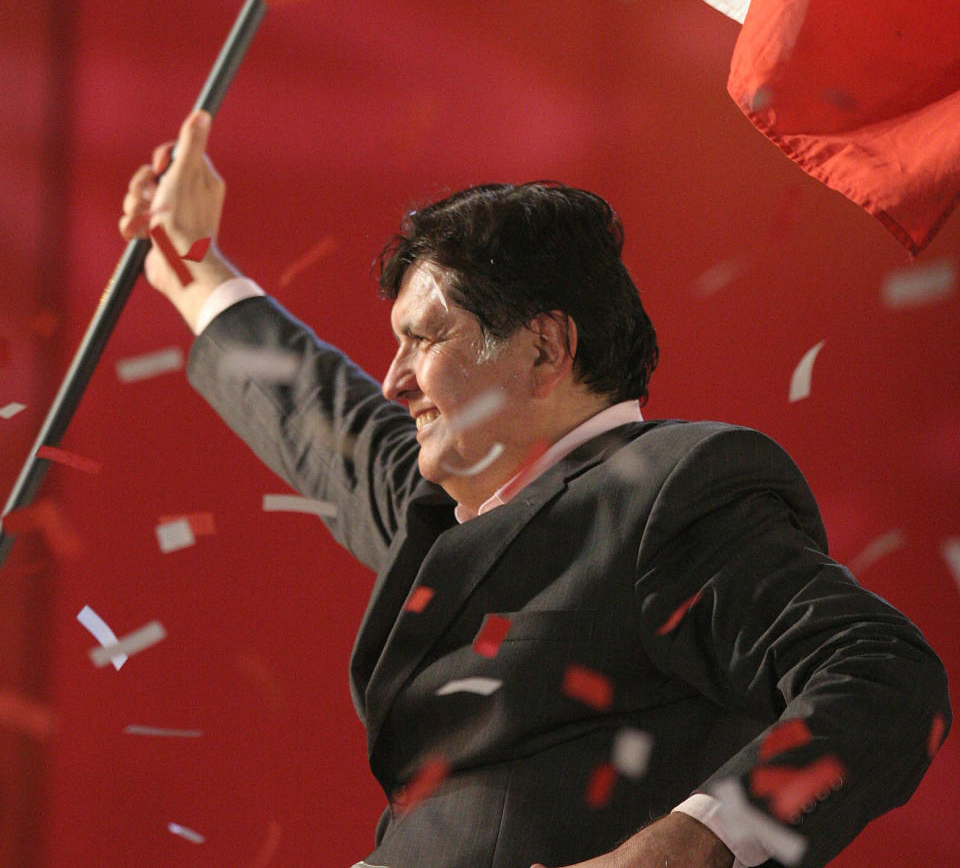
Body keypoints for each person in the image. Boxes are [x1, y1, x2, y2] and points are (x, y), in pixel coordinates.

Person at [119, 111, 950, 868]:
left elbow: (884, 676)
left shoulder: (670, 491)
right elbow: (316, 412)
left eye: (424, 339)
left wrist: (684, 847)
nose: (395, 378)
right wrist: (192, 265)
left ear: (547, 347)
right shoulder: (439, 510)